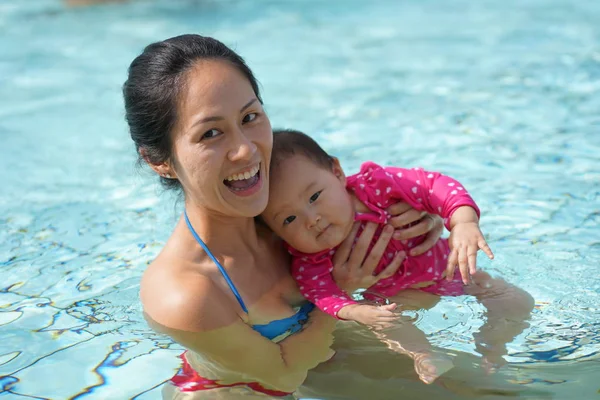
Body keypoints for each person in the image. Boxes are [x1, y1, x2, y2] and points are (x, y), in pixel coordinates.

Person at [122, 34, 446, 398]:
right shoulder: (186, 293)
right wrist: (338, 292)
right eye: (211, 133)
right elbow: (283, 376)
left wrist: (413, 217)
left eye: (250, 117)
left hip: (332, 362)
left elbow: (368, 192)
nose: (246, 149)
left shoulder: (285, 212)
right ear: (159, 161)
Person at [260, 129, 535, 384]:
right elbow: (322, 294)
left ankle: (494, 343)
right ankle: (423, 355)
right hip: (392, 297)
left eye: (314, 196)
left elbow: (433, 186)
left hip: (447, 269)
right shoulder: (309, 259)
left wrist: (463, 222)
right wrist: (356, 310)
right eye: (289, 218)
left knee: (516, 300)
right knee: (388, 323)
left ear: (337, 172)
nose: (312, 219)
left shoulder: (378, 188)